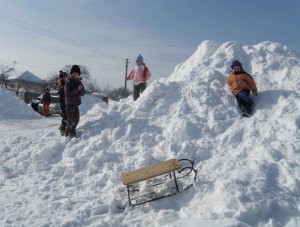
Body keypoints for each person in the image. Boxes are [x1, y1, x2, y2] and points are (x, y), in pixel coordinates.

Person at [64, 65, 85, 138]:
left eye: (77, 73)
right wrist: (77, 89)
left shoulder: (79, 82)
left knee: (77, 120)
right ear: (71, 73)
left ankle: (67, 131)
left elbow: (83, 92)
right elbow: (68, 93)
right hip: (70, 104)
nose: (76, 74)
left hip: (76, 104)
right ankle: (71, 137)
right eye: (74, 73)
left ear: (79, 74)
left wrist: (81, 90)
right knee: (72, 122)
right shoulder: (68, 81)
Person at [58, 71, 68, 135]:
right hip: (63, 103)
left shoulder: (63, 84)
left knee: (65, 116)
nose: (66, 78)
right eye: (65, 77)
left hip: (65, 103)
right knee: (65, 117)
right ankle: (62, 128)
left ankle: (62, 128)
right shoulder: (62, 86)